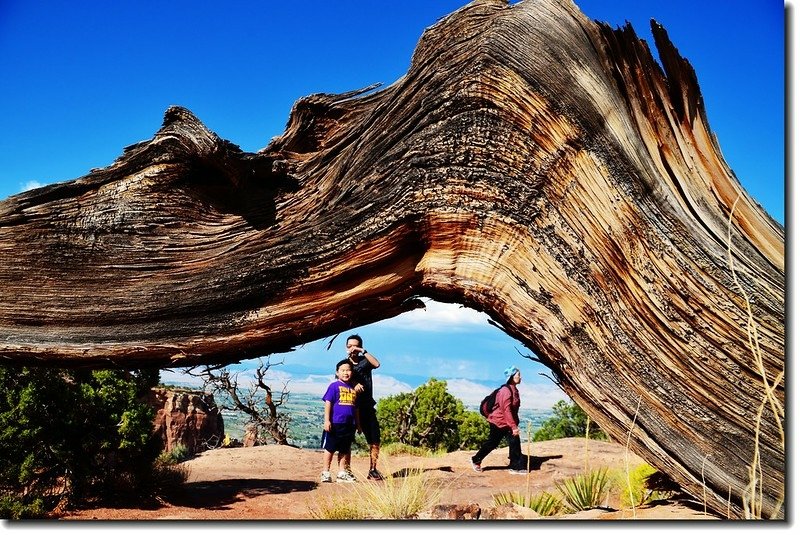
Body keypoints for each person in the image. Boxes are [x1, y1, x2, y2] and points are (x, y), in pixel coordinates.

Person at [471, 366, 527, 474]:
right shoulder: (505, 391)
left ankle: (515, 466)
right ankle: (475, 460)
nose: (521, 377)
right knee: (492, 443)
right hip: (498, 422)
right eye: (518, 375)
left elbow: (513, 410)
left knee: (514, 441)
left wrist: (514, 423)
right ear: (512, 377)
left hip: (507, 422)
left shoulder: (514, 390)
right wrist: (514, 426)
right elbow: (506, 410)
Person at [345, 333, 384, 481]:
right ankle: (346, 470)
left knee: (374, 439)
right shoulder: (344, 364)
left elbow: (377, 364)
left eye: (355, 346)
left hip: (367, 406)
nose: (352, 349)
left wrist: (364, 351)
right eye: (349, 346)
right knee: (347, 439)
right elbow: (339, 378)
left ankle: (373, 469)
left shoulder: (364, 361)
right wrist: (353, 383)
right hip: (350, 406)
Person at [320, 359, 361, 483]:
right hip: (336, 422)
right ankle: (325, 472)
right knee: (330, 448)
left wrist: (358, 424)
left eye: (348, 370)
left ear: (352, 372)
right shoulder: (334, 386)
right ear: (337, 372)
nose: (346, 373)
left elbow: (356, 408)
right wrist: (327, 420)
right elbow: (328, 403)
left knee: (345, 448)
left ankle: (342, 473)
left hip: (349, 424)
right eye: (343, 370)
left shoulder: (354, 388)